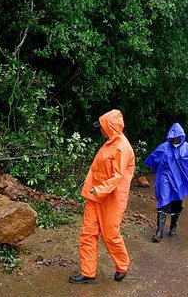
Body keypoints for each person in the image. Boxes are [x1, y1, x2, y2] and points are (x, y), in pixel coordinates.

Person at [69, 109, 135, 284]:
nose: (100, 129)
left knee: (110, 235)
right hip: (95, 196)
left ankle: (122, 265)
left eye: (102, 126)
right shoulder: (109, 143)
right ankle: (88, 271)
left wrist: (100, 190)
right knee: (88, 234)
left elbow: (117, 176)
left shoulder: (121, 147)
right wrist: (94, 191)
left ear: (109, 127)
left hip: (112, 199)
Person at [144, 123, 188, 242]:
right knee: (163, 202)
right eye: (174, 136)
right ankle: (159, 232)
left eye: (178, 136)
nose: (176, 138)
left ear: (182, 136)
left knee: (176, 204)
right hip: (165, 179)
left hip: (179, 181)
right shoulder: (163, 147)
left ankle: (173, 226)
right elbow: (154, 159)